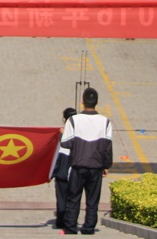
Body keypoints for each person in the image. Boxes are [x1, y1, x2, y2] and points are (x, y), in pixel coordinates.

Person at [60, 87, 113, 235]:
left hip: (78, 165)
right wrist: (106, 165)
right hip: (96, 166)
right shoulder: (105, 122)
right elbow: (108, 147)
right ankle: (89, 227)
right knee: (92, 200)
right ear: (97, 102)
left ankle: (70, 227)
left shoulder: (73, 120)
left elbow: (65, 143)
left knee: (73, 198)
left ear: (82, 102)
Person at [51, 106, 77, 230]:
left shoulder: (60, 135)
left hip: (62, 170)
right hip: (75, 171)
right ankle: (71, 221)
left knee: (61, 198)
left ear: (63, 119)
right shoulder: (81, 133)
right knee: (73, 198)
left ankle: (61, 221)